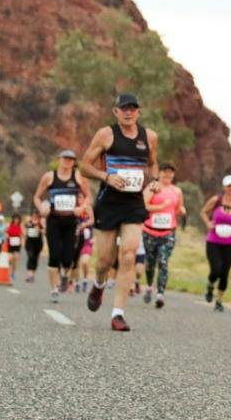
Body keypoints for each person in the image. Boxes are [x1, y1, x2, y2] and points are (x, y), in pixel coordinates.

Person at [79, 91, 158, 332]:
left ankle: (118, 314)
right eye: (124, 108)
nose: (128, 112)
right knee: (104, 260)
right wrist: (106, 177)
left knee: (128, 254)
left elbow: (153, 163)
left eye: (133, 108)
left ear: (138, 112)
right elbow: (83, 166)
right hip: (109, 202)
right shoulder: (106, 134)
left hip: (134, 202)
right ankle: (99, 284)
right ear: (115, 111)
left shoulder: (150, 137)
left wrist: (153, 180)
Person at [34, 150, 88, 301]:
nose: (67, 162)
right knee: (54, 256)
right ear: (59, 159)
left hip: (71, 221)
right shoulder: (49, 176)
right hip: (54, 220)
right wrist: (41, 209)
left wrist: (82, 207)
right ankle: (54, 289)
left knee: (68, 258)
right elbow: (37, 197)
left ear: (74, 162)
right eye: (65, 159)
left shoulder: (78, 176)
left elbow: (88, 196)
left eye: (71, 160)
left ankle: (65, 276)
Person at [141, 164, 186, 308]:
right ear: (159, 173)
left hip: (168, 232)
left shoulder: (177, 191)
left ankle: (160, 294)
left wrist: (182, 211)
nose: (167, 176)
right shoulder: (152, 187)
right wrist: (160, 207)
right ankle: (149, 286)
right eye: (165, 173)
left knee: (163, 261)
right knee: (150, 263)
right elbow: (144, 205)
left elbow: (178, 209)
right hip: (150, 231)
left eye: (170, 174)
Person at [200, 175, 231, 312]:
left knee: (225, 272)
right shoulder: (217, 200)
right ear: (224, 187)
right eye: (229, 186)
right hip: (213, 241)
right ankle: (210, 285)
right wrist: (208, 223)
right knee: (216, 269)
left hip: (230, 243)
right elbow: (203, 212)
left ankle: (219, 301)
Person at [24, 213, 44, 281]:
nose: (34, 218)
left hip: (38, 243)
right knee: (31, 256)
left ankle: (32, 274)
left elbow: (45, 231)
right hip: (29, 243)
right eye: (33, 217)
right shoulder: (28, 223)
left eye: (36, 217)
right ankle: (29, 274)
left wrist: (40, 230)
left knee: (35, 258)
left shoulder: (41, 223)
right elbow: (24, 231)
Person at [5, 214, 25, 281]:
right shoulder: (9, 225)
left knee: (16, 258)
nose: (16, 220)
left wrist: (22, 241)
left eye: (17, 219)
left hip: (17, 243)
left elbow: (23, 234)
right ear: (13, 219)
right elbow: (5, 232)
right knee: (10, 258)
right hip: (10, 243)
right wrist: (7, 235)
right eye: (15, 219)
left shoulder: (21, 226)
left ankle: (13, 273)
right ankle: (7, 270)